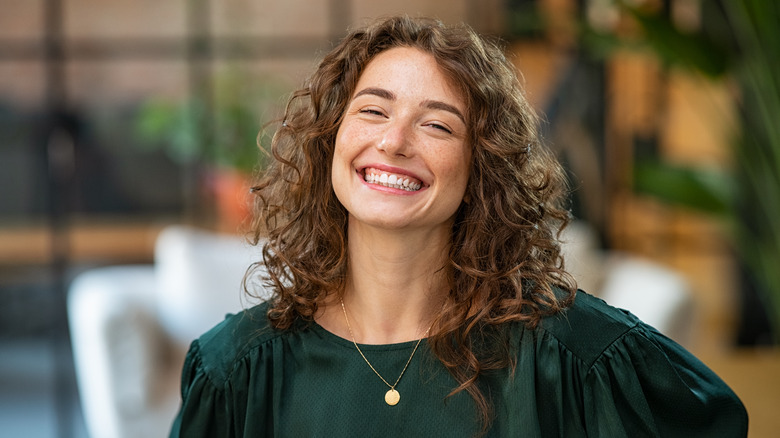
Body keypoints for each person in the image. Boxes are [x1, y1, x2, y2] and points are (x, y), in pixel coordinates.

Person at [169, 16, 748, 437]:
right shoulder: (235, 372)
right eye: (373, 110)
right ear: (329, 141)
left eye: (438, 126)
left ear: (481, 170)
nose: (394, 141)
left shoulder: (572, 357)